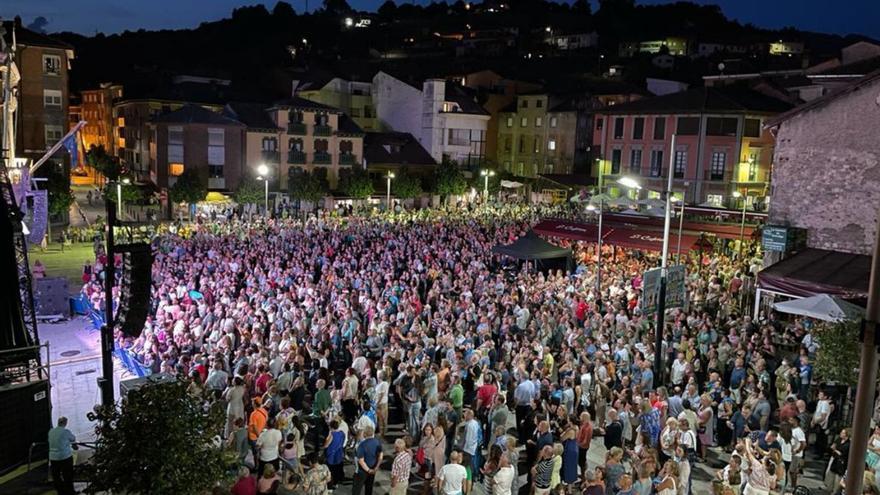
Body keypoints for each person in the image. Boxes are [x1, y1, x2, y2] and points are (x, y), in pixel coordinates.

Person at [48, 417, 77, 495]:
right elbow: (73, 438)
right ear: (65, 423)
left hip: (53, 458)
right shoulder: (65, 431)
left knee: (56, 477)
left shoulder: (51, 431)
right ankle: (70, 492)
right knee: (68, 476)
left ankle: (61, 492)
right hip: (65, 457)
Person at [352, 425, 383, 495]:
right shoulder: (377, 442)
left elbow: (361, 461)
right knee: (369, 488)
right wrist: (376, 467)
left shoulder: (362, 445)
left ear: (364, 434)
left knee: (357, 488)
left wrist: (368, 470)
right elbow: (381, 455)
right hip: (373, 468)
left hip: (362, 471)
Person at [323, 419, 345, 488]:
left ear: (331, 427)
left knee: (331, 470)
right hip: (339, 453)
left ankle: (330, 485)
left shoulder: (332, 435)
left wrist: (327, 439)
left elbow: (326, 445)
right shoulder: (342, 433)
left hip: (331, 455)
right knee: (337, 469)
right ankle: (336, 483)